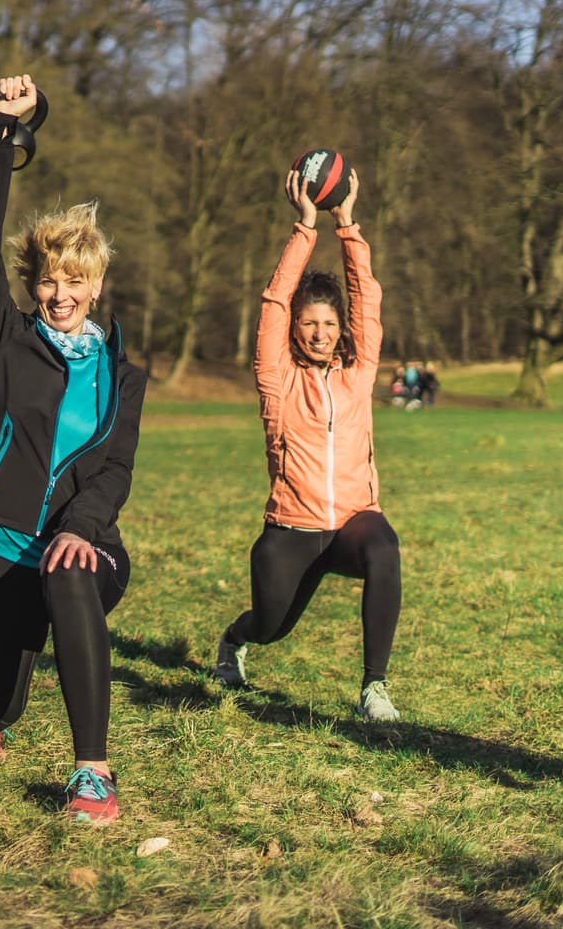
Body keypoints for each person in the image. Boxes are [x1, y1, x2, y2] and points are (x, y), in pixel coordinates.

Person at [0, 74, 147, 826]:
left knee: (71, 573)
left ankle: (91, 772)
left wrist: (80, 526)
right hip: (1, 550)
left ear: (95, 286)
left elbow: (115, 468)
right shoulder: (6, 343)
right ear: (33, 286)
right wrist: (1, 139)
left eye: (76, 280)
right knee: (0, 695)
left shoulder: (123, 371)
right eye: (49, 280)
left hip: (82, 544)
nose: (61, 293)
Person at [211, 166, 402, 722]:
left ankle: (374, 686)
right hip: (291, 529)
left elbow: (368, 301)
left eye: (328, 323)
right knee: (271, 625)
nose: (320, 332)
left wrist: (348, 228)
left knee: (384, 550)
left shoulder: (359, 372)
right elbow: (273, 301)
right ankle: (234, 639)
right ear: (295, 327)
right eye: (309, 323)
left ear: (340, 328)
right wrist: (304, 228)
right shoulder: (275, 376)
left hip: (350, 520)